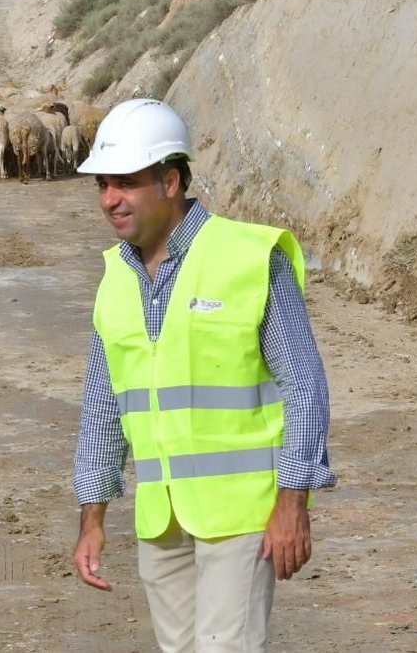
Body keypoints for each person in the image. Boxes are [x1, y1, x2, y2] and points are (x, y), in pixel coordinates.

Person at [70, 98, 334, 653]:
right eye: (102, 185)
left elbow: (304, 386)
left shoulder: (250, 257)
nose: (109, 199)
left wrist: (293, 504)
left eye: (125, 183)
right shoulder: (115, 277)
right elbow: (102, 409)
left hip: (241, 514)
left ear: (170, 181)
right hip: (161, 518)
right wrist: (92, 517)